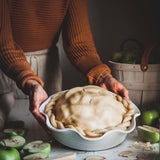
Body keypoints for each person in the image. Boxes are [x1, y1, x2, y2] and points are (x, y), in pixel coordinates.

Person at [0, 0, 129, 131]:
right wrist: (30, 81)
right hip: (5, 65)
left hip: (47, 68)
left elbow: (79, 44)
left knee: (48, 134)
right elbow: (3, 45)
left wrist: (102, 76)